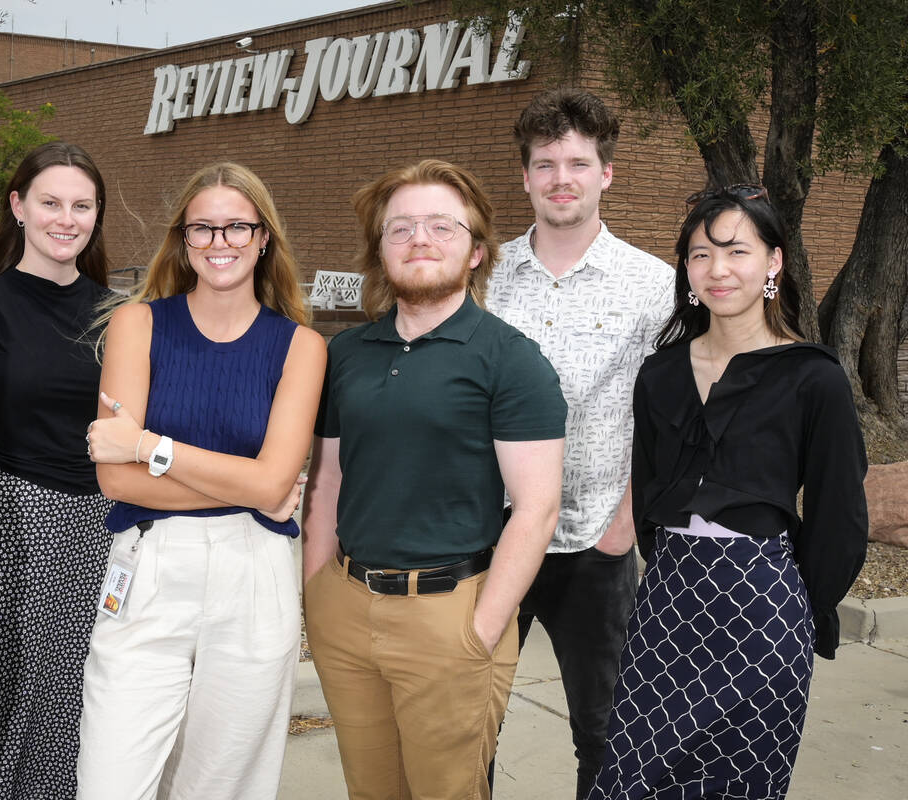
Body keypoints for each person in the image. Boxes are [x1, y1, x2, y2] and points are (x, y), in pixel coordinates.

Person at [588, 185, 868, 800]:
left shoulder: (813, 378)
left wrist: (792, 606)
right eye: (699, 255)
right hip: (667, 601)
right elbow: (650, 490)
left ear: (773, 262)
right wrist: (666, 572)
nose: (717, 270)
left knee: (737, 785)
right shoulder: (659, 371)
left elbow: (839, 518)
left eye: (736, 251)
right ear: (685, 270)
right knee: (628, 780)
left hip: (761, 607)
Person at [302, 159, 567, 800]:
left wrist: (481, 630)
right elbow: (328, 480)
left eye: (441, 226)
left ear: (477, 251)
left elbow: (537, 508)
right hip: (347, 607)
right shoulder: (344, 355)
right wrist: (316, 596)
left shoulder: (511, 359)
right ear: (381, 250)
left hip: (451, 615)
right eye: (401, 228)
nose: (420, 238)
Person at [81, 162, 326, 799]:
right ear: (183, 240)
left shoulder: (301, 346)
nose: (221, 243)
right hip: (151, 561)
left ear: (263, 237)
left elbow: (269, 485)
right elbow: (116, 480)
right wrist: (251, 484)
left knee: (222, 785)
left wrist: (148, 446)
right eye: (203, 229)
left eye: (237, 227)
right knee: (110, 781)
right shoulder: (138, 324)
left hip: (254, 573)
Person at [484, 87, 675, 799]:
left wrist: (624, 528)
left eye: (577, 162)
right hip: (493, 534)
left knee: (605, 731)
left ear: (606, 174)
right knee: (475, 720)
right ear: (526, 176)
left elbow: (669, 421)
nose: (561, 177)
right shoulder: (485, 278)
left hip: (598, 542)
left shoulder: (655, 286)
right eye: (545, 163)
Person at [0, 141, 114, 799]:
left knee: (81, 691)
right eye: (51, 202)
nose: (67, 218)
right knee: (5, 686)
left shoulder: (120, 315)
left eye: (82, 205)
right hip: (12, 521)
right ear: (18, 206)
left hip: (102, 527)